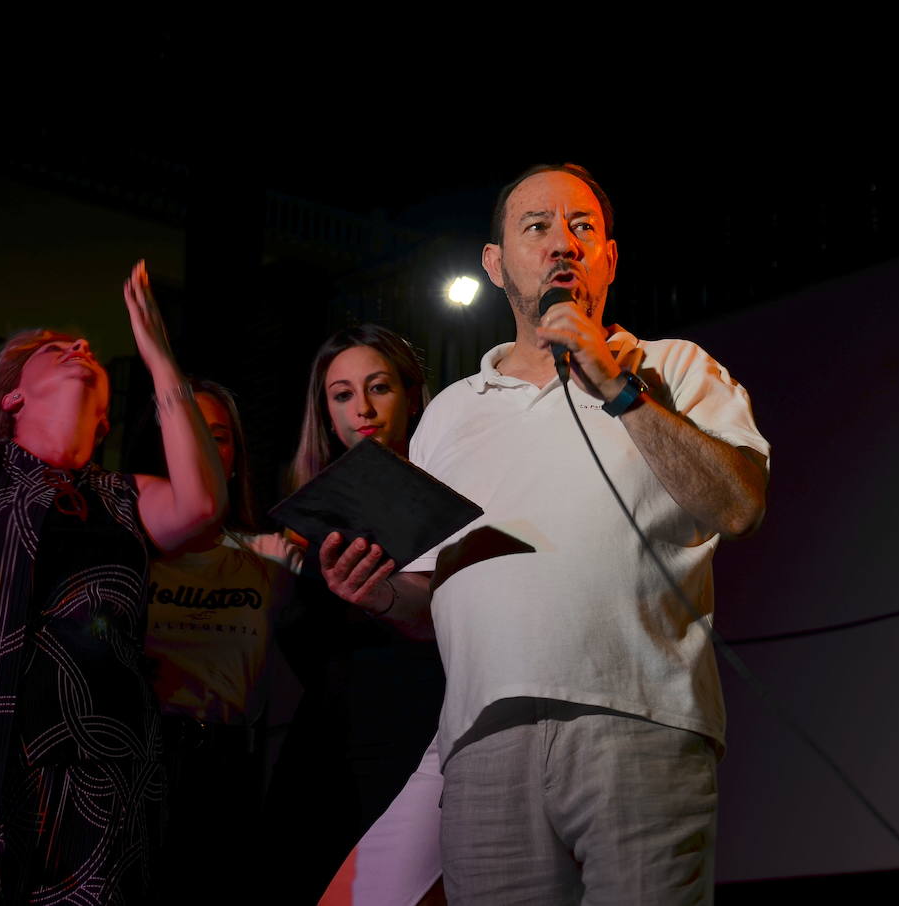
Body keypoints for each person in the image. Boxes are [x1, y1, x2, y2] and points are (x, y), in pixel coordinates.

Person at [318, 165, 769, 904]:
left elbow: (740, 506)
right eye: (537, 227)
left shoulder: (674, 366)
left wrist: (619, 387)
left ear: (610, 259)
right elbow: (431, 602)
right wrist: (379, 594)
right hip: (483, 743)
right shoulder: (450, 414)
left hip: (642, 724)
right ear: (495, 264)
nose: (563, 243)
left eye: (582, 227)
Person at [0, 261, 226, 904]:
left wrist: (158, 357)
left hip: (100, 788)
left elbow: (203, 506)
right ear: (12, 397)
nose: (81, 348)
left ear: (106, 420)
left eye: (86, 349)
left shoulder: (126, 497)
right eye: (56, 350)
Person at [262, 324, 446, 906]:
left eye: (378, 388)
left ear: (411, 396)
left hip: (420, 738)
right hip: (326, 756)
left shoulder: (449, 492)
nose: (361, 409)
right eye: (342, 395)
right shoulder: (301, 520)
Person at [138, 378, 302, 904]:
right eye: (193, 435)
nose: (209, 450)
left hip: (227, 771)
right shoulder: (131, 551)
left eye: (220, 437)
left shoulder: (268, 552)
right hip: (138, 759)